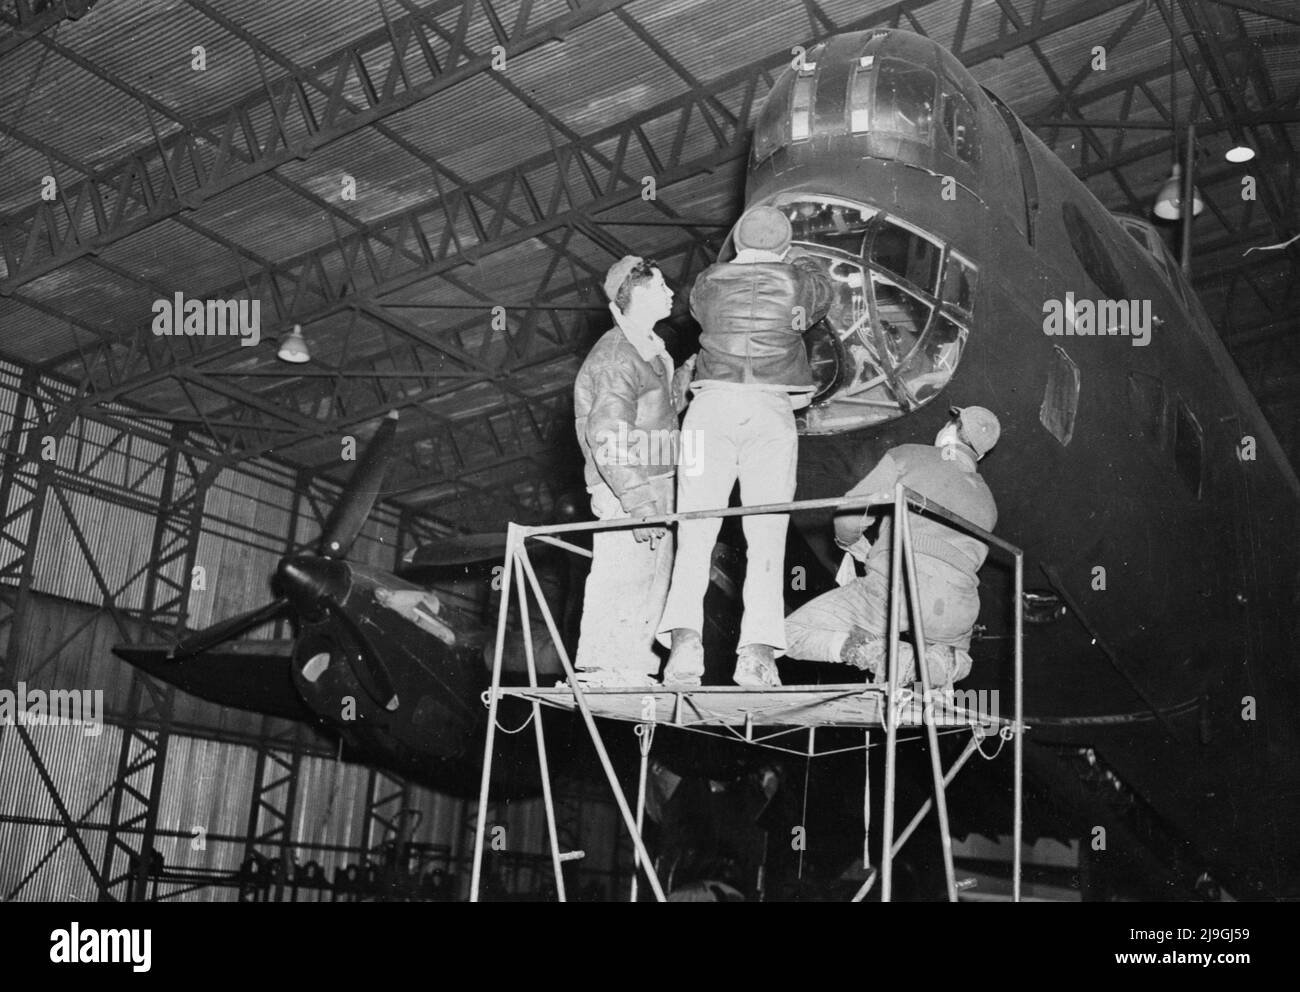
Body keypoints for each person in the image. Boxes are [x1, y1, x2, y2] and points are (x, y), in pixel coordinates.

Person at [657, 205, 833, 688]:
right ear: (784, 247)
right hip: (768, 413)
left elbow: (700, 312)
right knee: (767, 536)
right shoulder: (800, 283)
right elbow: (823, 291)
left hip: (709, 411)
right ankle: (756, 656)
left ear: (736, 243)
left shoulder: (708, 284)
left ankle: (683, 649)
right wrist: (793, 259)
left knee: (693, 533)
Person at [784, 406, 1001, 687]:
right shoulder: (988, 502)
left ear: (950, 429)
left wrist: (848, 542)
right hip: (957, 607)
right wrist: (875, 552)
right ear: (981, 454)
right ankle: (940, 663)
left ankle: (879, 654)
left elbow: (850, 516)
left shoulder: (910, 455)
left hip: (897, 585)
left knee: (790, 633)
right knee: (961, 656)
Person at [571, 256, 693, 686]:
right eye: (660, 286)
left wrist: (678, 389)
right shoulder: (617, 356)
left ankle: (632, 669)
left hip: (652, 481)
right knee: (623, 572)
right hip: (628, 484)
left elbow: (648, 414)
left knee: (648, 580)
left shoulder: (649, 349)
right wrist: (639, 501)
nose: (670, 293)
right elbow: (607, 434)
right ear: (635, 295)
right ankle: (605, 668)